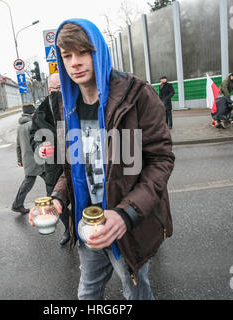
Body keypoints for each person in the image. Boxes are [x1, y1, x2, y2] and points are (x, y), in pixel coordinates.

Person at [29, 19, 175, 300]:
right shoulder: (66, 105)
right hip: (89, 221)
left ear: (99, 52)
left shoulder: (137, 95)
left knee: (135, 291)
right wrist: (58, 199)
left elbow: (160, 161)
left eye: (83, 52)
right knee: (87, 293)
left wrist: (125, 214)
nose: (75, 63)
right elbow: (73, 166)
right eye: (67, 55)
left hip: (127, 223)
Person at [29, 73, 70, 246]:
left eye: (61, 88)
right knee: (54, 199)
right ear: (48, 90)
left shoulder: (74, 104)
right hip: (53, 165)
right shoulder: (40, 113)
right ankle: (69, 229)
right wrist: (40, 148)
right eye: (54, 88)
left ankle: (85, 227)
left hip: (74, 160)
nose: (58, 92)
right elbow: (33, 137)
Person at [11, 104, 45, 214]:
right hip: (37, 159)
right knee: (51, 180)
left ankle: (17, 204)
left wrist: (19, 159)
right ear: (32, 113)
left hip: (28, 160)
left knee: (29, 182)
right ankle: (17, 204)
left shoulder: (20, 127)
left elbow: (18, 145)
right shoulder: (33, 124)